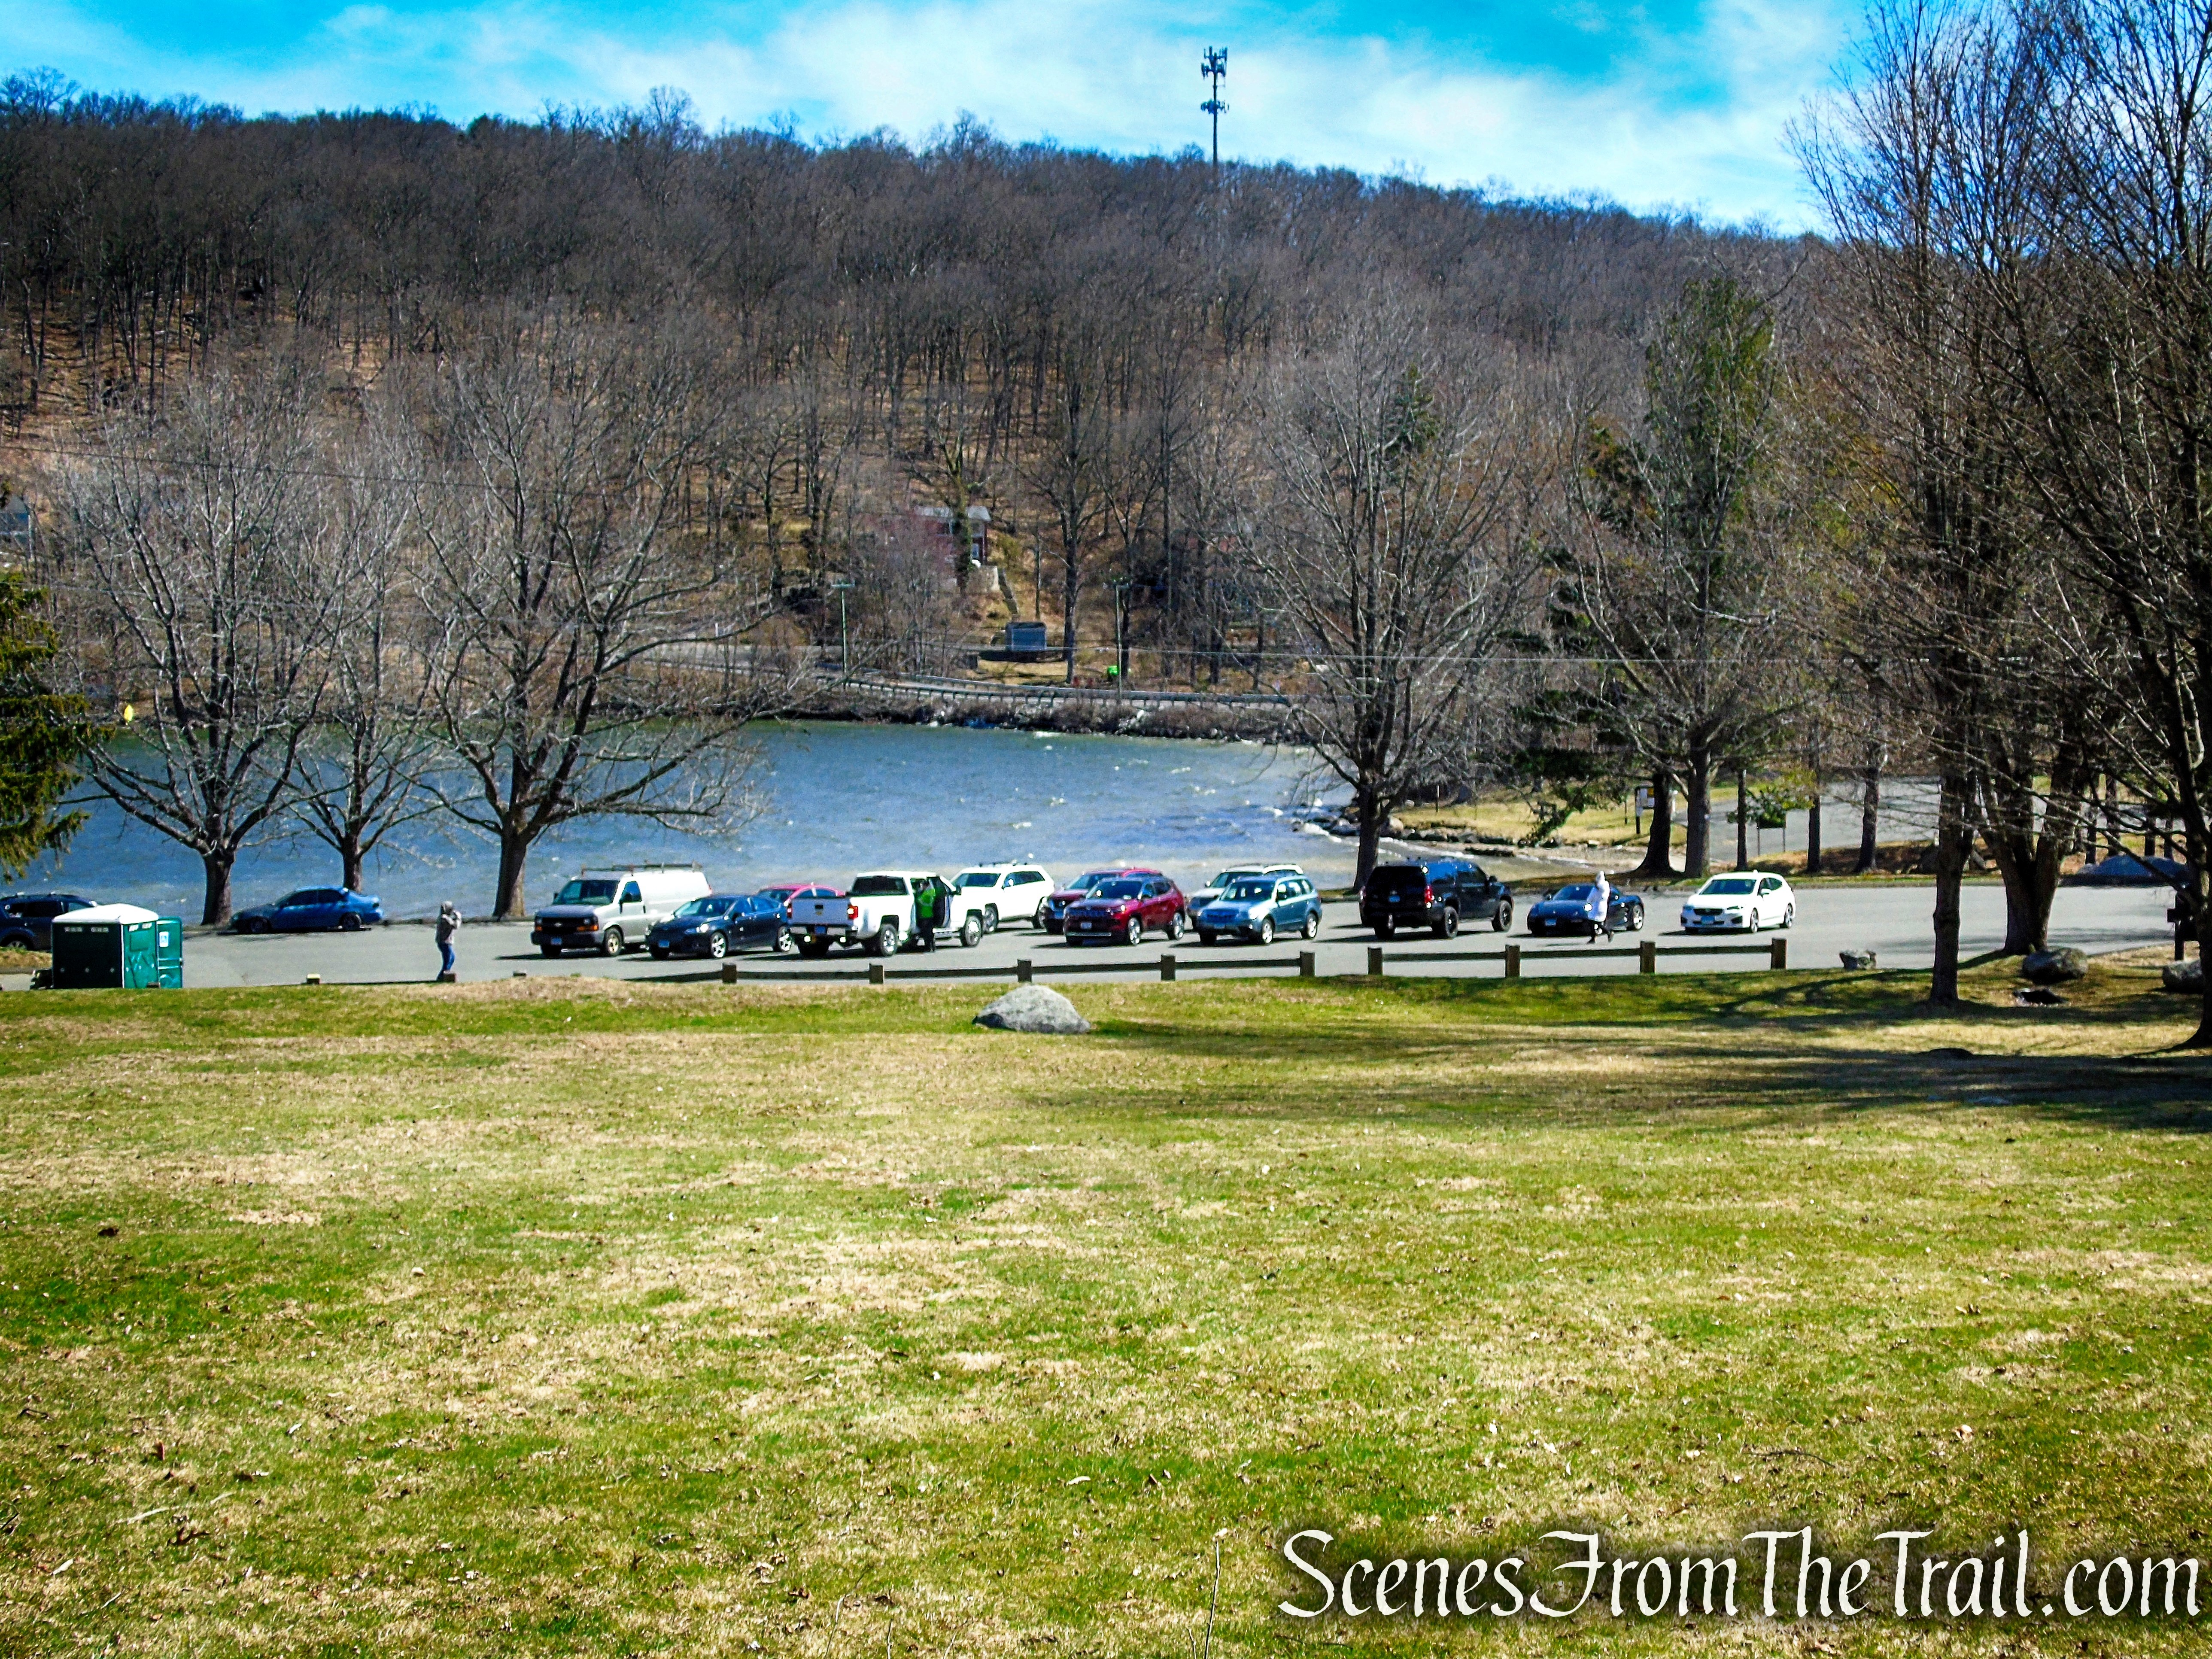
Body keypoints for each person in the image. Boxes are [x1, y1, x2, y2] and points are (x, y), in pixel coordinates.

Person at [435, 901, 460, 979]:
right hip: (444, 942)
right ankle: (442, 977)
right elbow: (456, 926)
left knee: (452, 958)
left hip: (444, 942)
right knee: (448, 960)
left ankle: (445, 975)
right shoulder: (444, 918)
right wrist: (459, 918)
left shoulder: (444, 917)